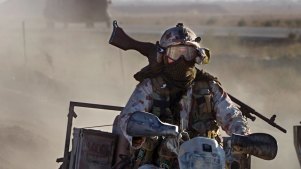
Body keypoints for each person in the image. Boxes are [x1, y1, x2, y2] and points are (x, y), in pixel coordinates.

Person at [115, 23, 250, 169]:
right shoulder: (150, 86)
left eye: (187, 54)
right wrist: (141, 135)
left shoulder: (209, 86)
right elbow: (127, 119)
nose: (182, 60)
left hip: (206, 161)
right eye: (175, 54)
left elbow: (232, 116)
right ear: (163, 56)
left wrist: (242, 137)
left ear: (197, 57)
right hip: (159, 162)